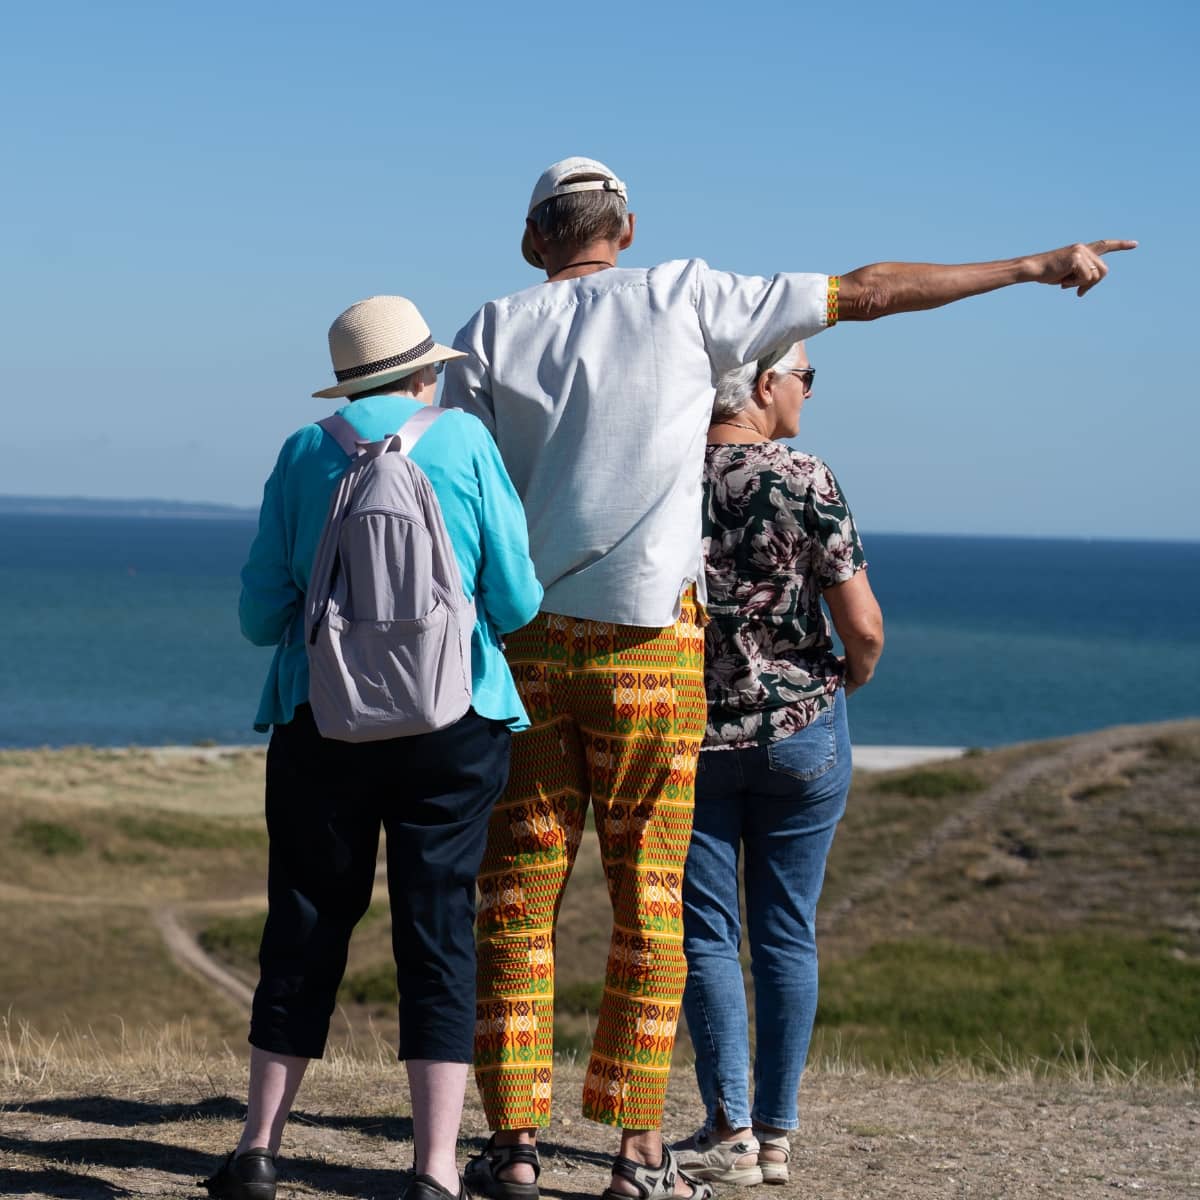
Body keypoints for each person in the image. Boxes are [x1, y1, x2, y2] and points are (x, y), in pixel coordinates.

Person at [439, 154, 1133, 1200]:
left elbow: (460, 486)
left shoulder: (493, 328)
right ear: (625, 230)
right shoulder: (685, 299)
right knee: (651, 900)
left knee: (518, 899)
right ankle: (634, 1150)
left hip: (531, 648)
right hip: (648, 653)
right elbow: (871, 290)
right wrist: (1032, 265)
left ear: (537, 241)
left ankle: (514, 1146)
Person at [206, 296, 543, 1200]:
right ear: (425, 372)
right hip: (453, 723)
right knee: (438, 930)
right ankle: (433, 1169)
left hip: (322, 722)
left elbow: (256, 617)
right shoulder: (467, 444)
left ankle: (257, 1150)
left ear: (350, 378)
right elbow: (514, 602)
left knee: (307, 922)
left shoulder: (305, 451)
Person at [673, 343, 882, 1187]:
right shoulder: (806, 476)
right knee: (787, 932)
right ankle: (776, 1135)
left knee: (708, 935)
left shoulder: (669, 472)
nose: (808, 393)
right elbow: (860, 626)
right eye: (805, 377)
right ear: (764, 386)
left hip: (690, 732)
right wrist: (841, 686)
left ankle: (726, 1127)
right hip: (800, 731)